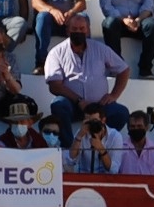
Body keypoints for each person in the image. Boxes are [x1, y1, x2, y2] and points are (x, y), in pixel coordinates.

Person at [45, 12, 130, 140]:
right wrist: (79, 101)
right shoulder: (56, 53)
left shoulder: (101, 49)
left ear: (88, 30)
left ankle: (99, 142)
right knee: (58, 104)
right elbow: (54, 86)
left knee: (121, 113)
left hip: (99, 106)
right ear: (67, 31)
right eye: (74, 29)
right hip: (73, 105)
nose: (78, 32)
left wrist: (113, 95)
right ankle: (69, 148)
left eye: (82, 29)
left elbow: (124, 70)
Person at [28, 0, 88, 71]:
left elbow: (81, 2)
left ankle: (84, 60)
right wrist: (52, 11)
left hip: (68, 20)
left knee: (83, 18)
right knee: (42, 17)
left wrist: (71, 12)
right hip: (48, 21)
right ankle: (41, 62)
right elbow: (35, 1)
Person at [67, 99, 128, 173]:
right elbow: (71, 160)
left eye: (94, 121)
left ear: (103, 120)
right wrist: (79, 136)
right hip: (86, 177)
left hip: (105, 179)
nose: (91, 124)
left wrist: (101, 148)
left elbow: (114, 170)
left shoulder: (115, 136)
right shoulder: (82, 132)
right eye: (88, 121)